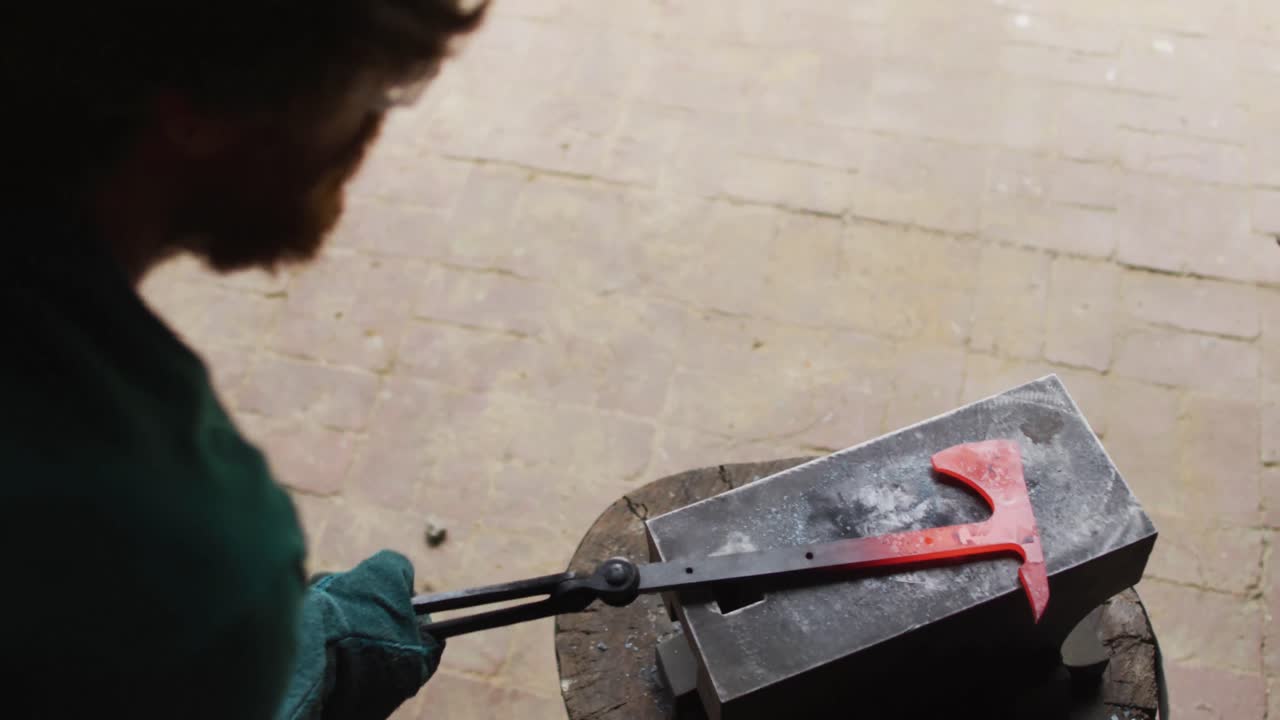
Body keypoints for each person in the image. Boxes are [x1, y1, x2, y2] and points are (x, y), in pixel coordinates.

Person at [0, 2, 486, 718]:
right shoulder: (175, 550)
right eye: (371, 93)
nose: (369, 134)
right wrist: (306, 664)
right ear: (195, 111)